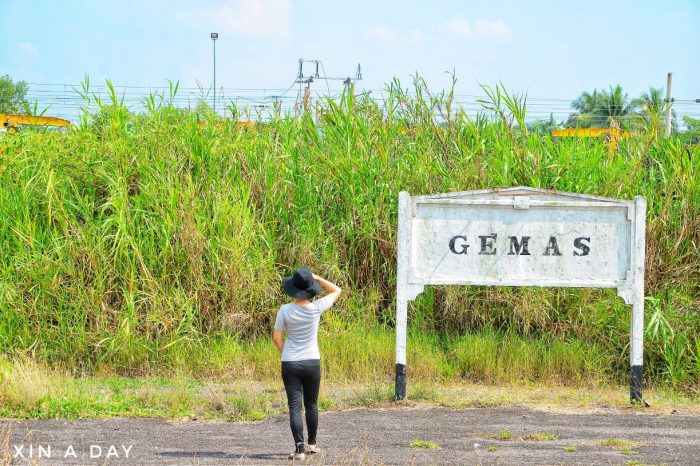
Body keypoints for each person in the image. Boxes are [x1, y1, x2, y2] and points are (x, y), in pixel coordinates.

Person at [273, 267, 341, 461]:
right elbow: (337, 290)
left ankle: (299, 450)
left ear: (292, 288)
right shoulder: (316, 308)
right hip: (312, 361)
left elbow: (276, 337)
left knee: (294, 407)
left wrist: (285, 351)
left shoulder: (284, 310)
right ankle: (312, 445)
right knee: (311, 404)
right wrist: (318, 278)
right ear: (310, 288)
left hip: (290, 362)